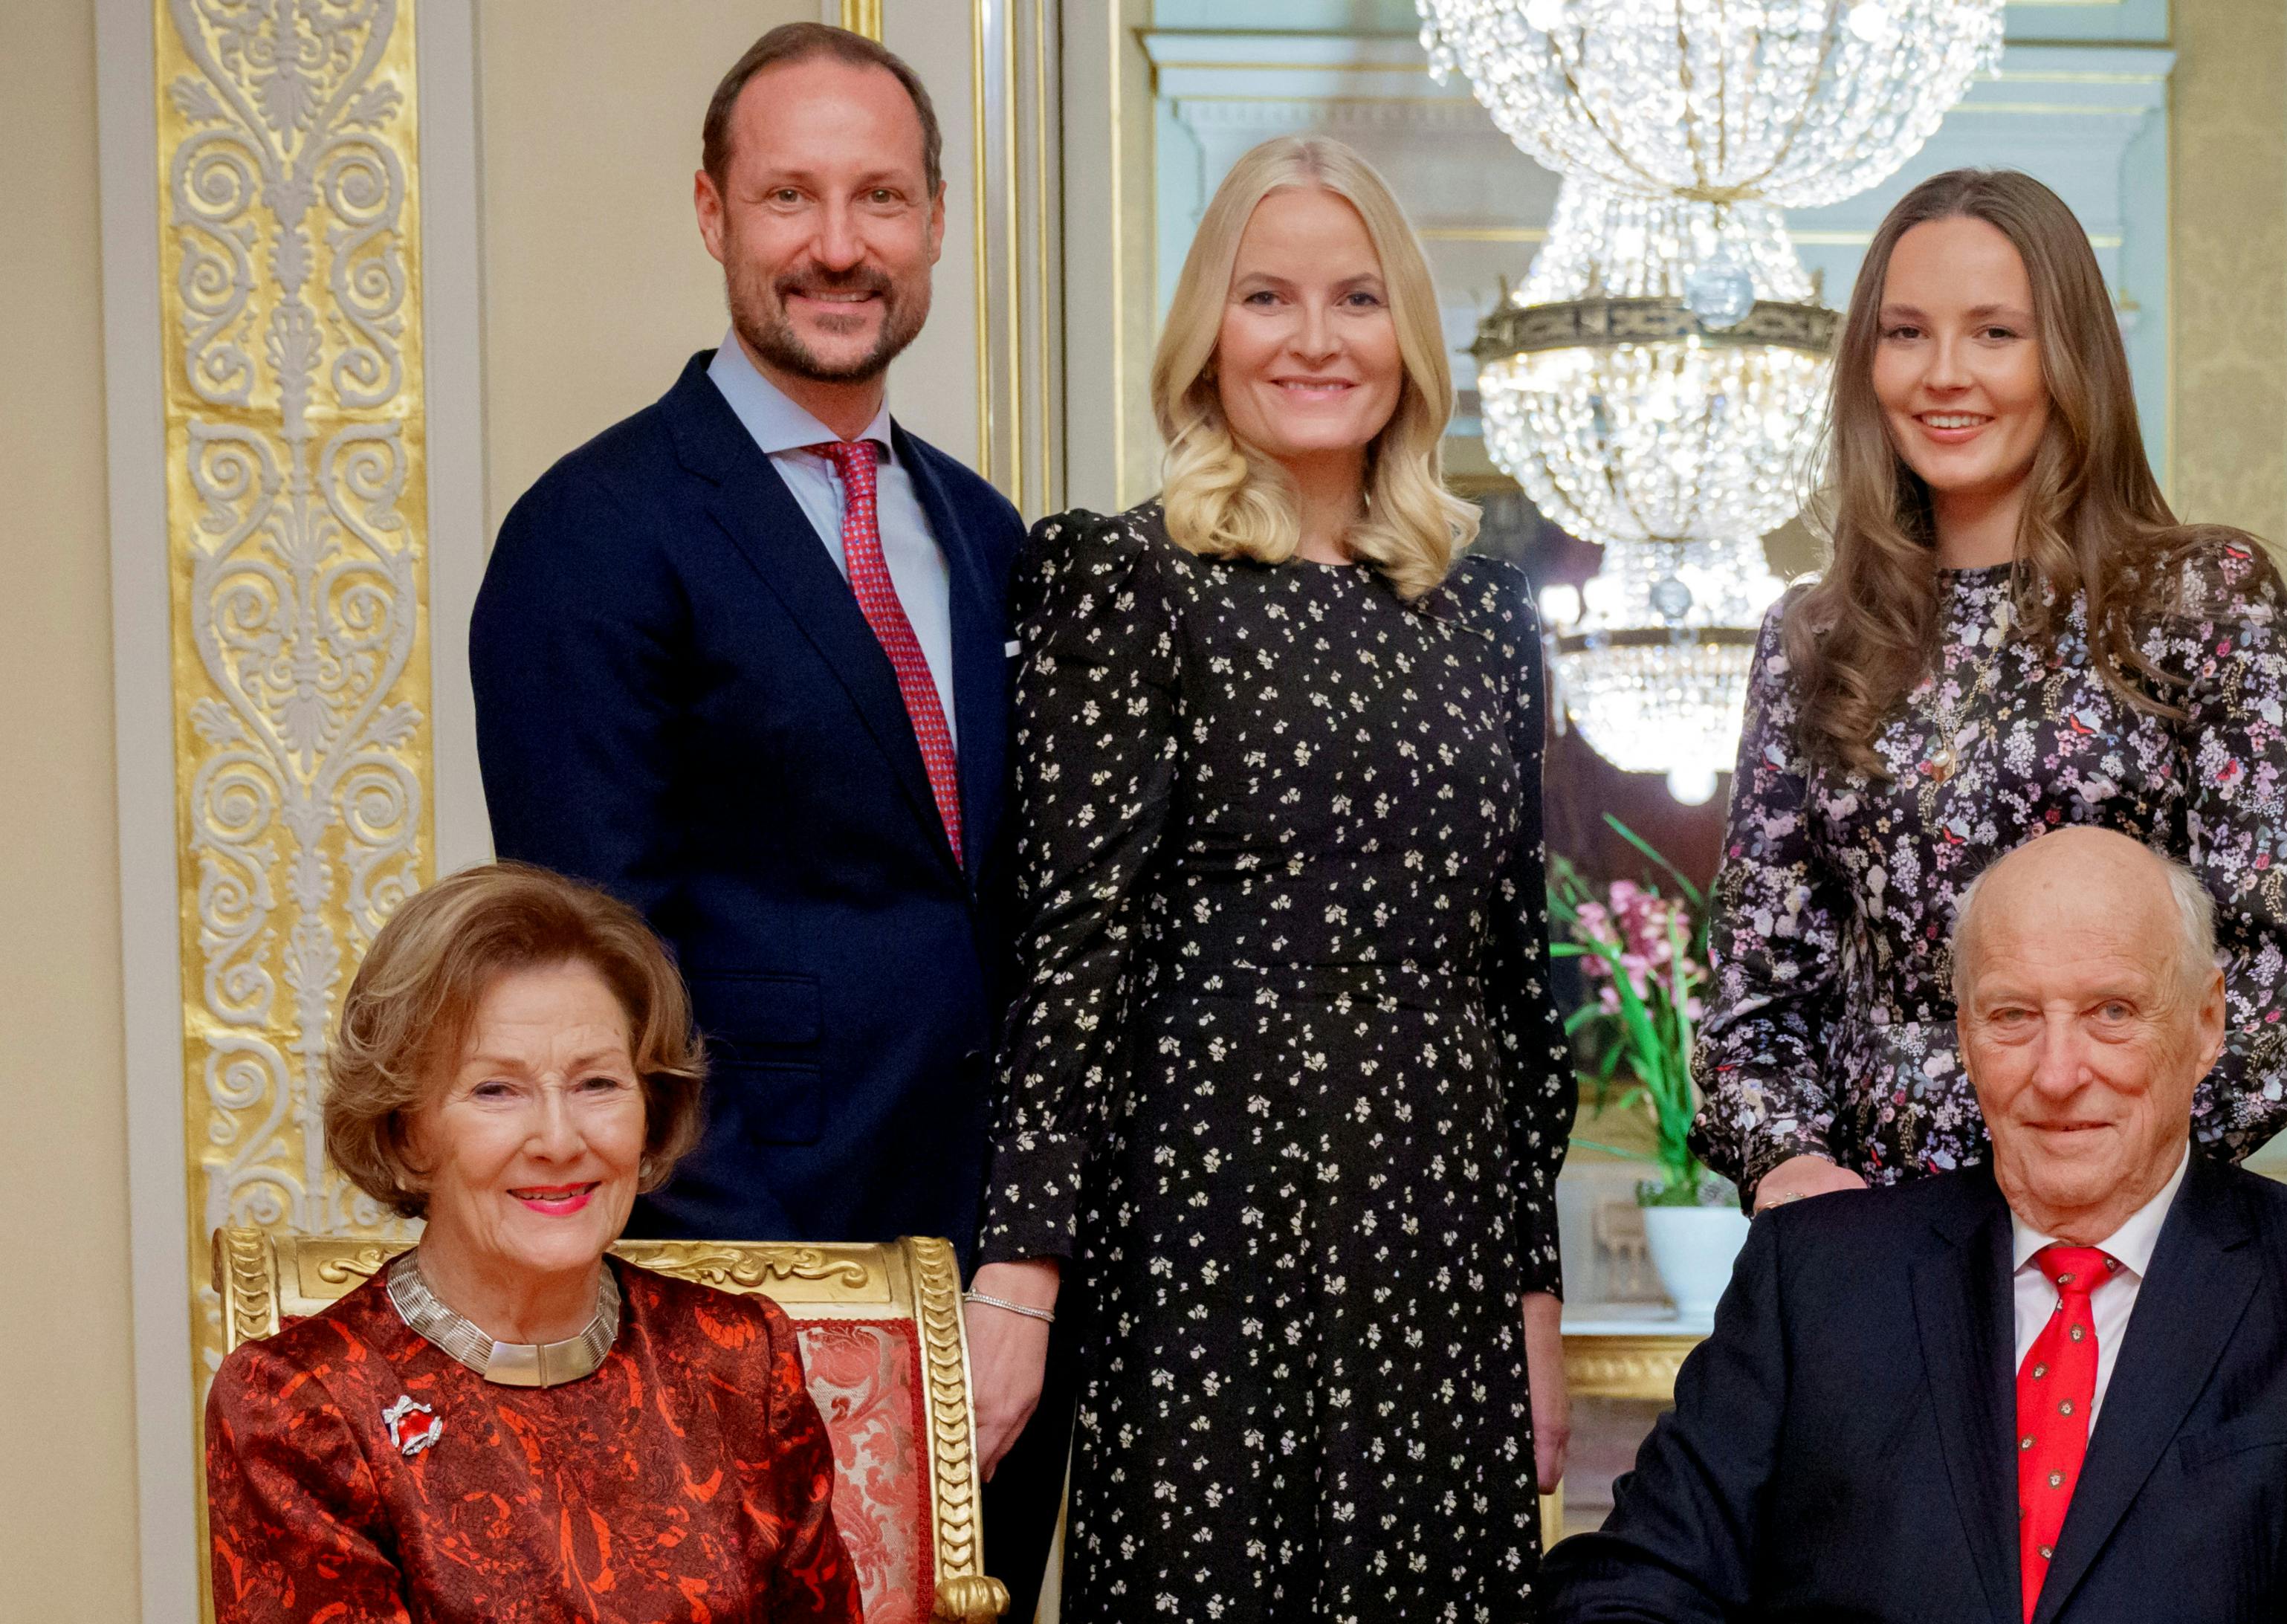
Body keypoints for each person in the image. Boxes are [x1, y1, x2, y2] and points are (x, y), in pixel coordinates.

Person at [466, 25, 1064, 1608]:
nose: (838, 246)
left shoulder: (986, 531)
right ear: (712, 212)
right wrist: (757, 1310)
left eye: (879, 197)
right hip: (737, 1286)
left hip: (985, 1289)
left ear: (936, 220)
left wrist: (1016, 1278)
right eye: (790, 196)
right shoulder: (592, 531)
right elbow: (591, 978)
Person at [959, 134, 1577, 1623]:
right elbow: (1071, 961)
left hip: (1436, 1255)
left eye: (1357, 298)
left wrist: (1534, 1303)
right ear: (1206, 337)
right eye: (1267, 297)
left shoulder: (1484, 614)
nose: (1314, 339)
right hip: (1199, 1241)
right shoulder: (1118, 584)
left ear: (1409, 339)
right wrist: (1018, 1282)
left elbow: (1514, 984)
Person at [1542, 827, 2287, 1624]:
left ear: (2205, 1023)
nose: (2056, 1071)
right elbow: (1635, 1588)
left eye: (2111, 1011)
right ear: (1961, 1033)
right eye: (2011, 1015)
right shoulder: (1816, 1277)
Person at [1697, 169, 2287, 1214]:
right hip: (1868, 1238)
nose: (1942, 374)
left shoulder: (2200, 602)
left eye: (1994, 333)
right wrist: (1787, 1167)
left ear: (2067, 357)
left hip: (2126, 1238)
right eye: (1904, 333)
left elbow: (2279, 973)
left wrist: (2101, 1164)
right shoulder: (1809, 638)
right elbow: (1753, 992)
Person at [205, 863, 864, 1623]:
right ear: (406, 1130)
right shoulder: (303, 1409)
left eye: (596, 1084)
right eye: (496, 1089)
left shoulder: (739, 1361)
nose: (559, 1139)